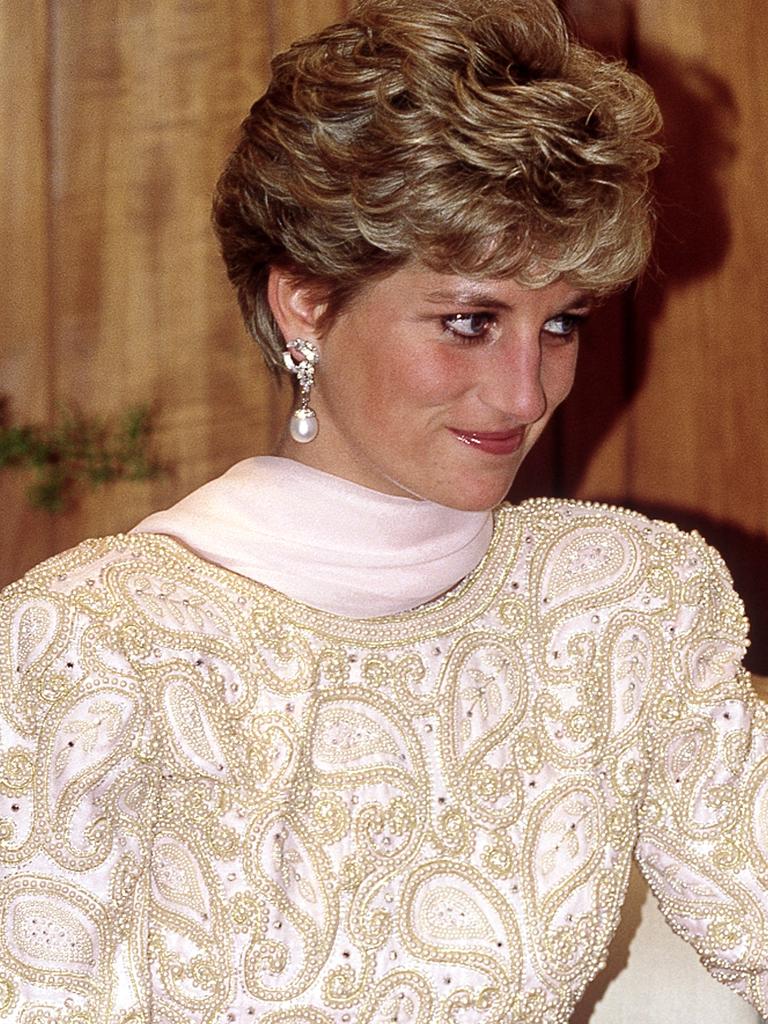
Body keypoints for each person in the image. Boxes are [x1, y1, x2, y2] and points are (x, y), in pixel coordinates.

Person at [0, 0, 766, 1021]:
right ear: (305, 302)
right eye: (468, 320)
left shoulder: (623, 605)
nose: (525, 393)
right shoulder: (95, 641)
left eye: (562, 324)